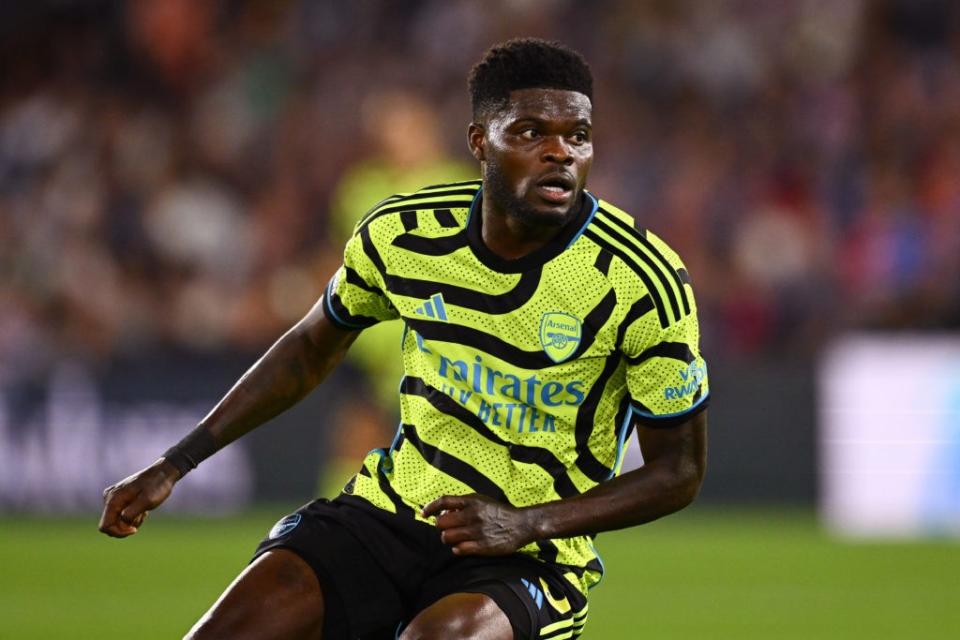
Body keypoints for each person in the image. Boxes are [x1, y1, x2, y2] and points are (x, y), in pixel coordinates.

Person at [99, 38, 709, 640]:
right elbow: (312, 345)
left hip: (530, 554)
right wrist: (176, 462)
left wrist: (524, 523)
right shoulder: (404, 234)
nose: (560, 153)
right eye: (529, 133)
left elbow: (678, 469)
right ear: (480, 143)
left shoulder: (639, 281)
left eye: (577, 135)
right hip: (390, 513)